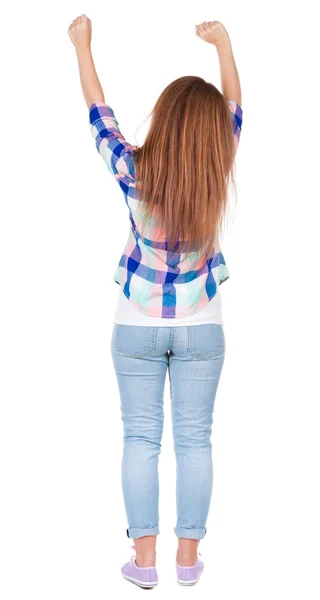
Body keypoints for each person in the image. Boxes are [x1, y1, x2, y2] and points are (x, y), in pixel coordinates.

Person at [68, 15, 242, 589]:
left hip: (135, 326)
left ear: (163, 122)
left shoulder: (133, 170)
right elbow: (235, 108)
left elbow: (100, 116)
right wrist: (224, 44)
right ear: (215, 136)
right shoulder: (218, 164)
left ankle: (144, 565)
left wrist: (83, 44)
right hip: (203, 326)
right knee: (196, 439)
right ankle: (188, 562)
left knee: (139, 437)